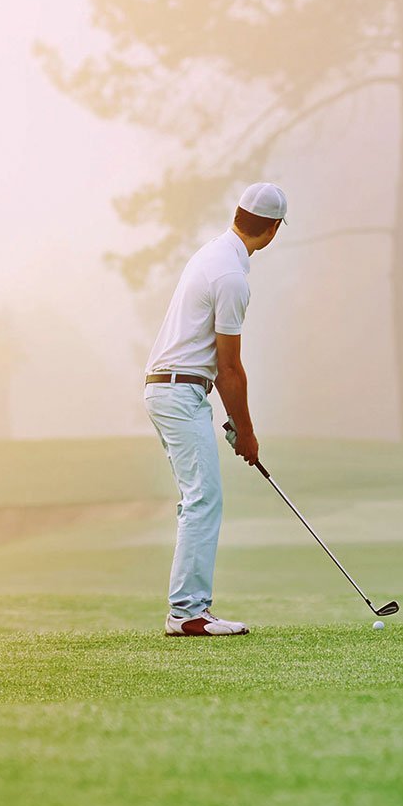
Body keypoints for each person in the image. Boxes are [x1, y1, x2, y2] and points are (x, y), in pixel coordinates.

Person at [143, 182, 285, 637]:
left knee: (198, 498)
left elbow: (219, 369)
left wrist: (236, 423)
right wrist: (247, 432)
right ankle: (188, 612)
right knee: (203, 498)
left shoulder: (212, 254)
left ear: (238, 214)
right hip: (179, 390)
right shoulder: (231, 277)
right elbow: (229, 369)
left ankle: (188, 609)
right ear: (273, 229)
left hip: (174, 388)